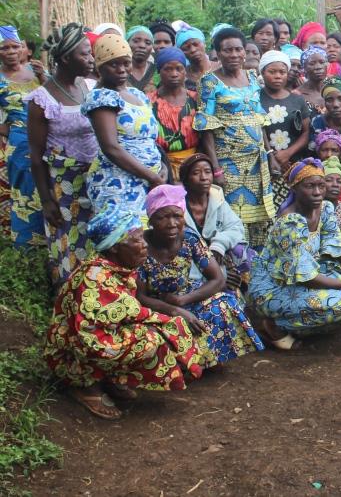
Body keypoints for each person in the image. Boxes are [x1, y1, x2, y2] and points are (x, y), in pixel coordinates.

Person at [44, 206, 206, 420]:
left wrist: (169, 321)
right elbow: (89, 339)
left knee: (163, 329)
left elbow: (128, 313)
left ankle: (109, 378)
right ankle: (85, 384)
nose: (144, 244)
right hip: (74, 354)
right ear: (114, 247)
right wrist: (168, 324)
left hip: (87, 341)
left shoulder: (114, 268)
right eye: (137, 239)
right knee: (150, 339)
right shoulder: (95, 280)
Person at [137, 185, 263, 365]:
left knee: (223, 303)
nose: (172, 223)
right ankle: (182, 364)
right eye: (163, 217)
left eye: (177, 216)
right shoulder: (141, 245)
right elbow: (140, 296)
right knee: (160, 329)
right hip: (154, 306)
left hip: (184, 296)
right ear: (150, 220)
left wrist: (184, 301)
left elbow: (218, 279)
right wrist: (175, 310)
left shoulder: (189, 238)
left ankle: (204, 360)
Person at [250, 159, 341, 349]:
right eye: (309, 186)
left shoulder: (325, 208)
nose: (318, 192)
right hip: (275, 287)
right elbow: (304, 276)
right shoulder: (289, 223)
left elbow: (336, 240)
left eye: (321, 185)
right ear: (294, 188)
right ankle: (274, 325)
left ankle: (300, 322)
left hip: (307, 274)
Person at [27, 24, 98, 284]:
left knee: (96, 243)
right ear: (66, 58)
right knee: (69, 245)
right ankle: (69, 304)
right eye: (84, 54)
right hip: (64, 187)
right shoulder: (42, 99)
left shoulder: (89, 87)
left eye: (90, 53)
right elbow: (35, 156)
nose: (91, 59)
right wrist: (47, 201)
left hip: (95, 182)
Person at [194, 26, 276, 246]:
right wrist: (216, 168)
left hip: (258, 163)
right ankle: (234, 272)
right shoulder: (209, 82)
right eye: (227, 50)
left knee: (259, 219)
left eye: (238, 49)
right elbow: (206, 128)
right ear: (218, 54)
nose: (234, 55)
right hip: (229, 164)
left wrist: (269, 153)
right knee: (231, 219)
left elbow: (260, 119)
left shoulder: (252, 77)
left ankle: (256, 271)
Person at [82, 33, 163, 217]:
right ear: (100, 66)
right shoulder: (102, 97)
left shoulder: (138, 95)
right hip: (117, 183)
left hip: (147, 181)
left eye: (126, 63)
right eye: (113, 64)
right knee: (126, 240)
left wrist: (161, 168)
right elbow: (111, 148)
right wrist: (151, 176)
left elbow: (149, 140)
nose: (121, 69)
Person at [180, 152, 253, 296]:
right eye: (196, 173)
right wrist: (219, 275)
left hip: (215, 260)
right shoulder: (177, 205)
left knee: (241, 250)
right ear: (186, 179)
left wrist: (219, 244)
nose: (204, 177)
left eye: (208, 172)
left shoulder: (217, 200)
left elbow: (236, 228)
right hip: (187, 264)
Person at [0, 26, 43, 245]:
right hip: (20, 145)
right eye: (4, 47)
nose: (10, 51)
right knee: (25, 194)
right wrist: (15, 129)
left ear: (23, 48)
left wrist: (45, 77)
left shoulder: (36, 72)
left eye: (14, 46)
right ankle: (27, 250)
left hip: (47, 140)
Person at [260, 49, 311, 207]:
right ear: (262, 72)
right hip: (266, 164)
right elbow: (257, 129)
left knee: (293, 206)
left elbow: (306, 132)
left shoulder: (297, 100)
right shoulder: (255, 98)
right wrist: (272, 156)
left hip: (293, 163)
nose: (277, 76)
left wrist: (287, 153)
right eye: (272, 71)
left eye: (282, 72)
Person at [148, 47, 199, 181]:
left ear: (185, 71)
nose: (174, 74)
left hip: (193, 167)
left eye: (179, 68)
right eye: (168, 69)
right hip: (160, 167)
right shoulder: (148, 102)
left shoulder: (196, 99)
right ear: (159, 71)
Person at [176, 25, 212, 91]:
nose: (193, 50)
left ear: (204, 44)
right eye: (186, 48)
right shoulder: (181, 76)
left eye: (195, 44)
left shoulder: (221, 68)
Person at [297, 45, 329, 113]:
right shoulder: (297, 95)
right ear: (304, 68)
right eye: (312, 64)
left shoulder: (335, 88)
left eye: (322, 62)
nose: (318, 67)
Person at [125, 26, 156, 92]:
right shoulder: (119, 71)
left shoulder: (156, 72)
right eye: (136, 41)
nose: (142, 45)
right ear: (126, 43)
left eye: (148, 43)